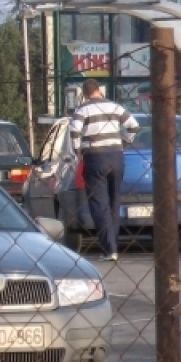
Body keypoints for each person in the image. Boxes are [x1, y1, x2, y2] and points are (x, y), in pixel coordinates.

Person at [68, 80, 138, 262]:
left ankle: (109, 248)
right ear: (99, 90)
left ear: (84, 94)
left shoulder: (82, 110)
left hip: (95, 158)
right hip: (116, 156)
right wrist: (124, 142)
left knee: (99, 204)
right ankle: (113, 244)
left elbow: (74, 133)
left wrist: (78, 153)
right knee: (115, 202)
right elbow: (134, 125)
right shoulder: (115, 107)